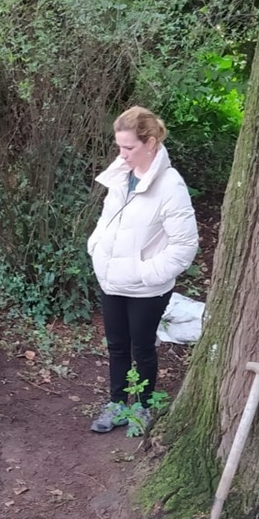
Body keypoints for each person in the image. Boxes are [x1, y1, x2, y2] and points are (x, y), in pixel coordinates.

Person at [87, 105, 199, 434]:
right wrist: (96, 247)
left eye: (129, 147)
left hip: (146, 288)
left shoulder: (171, 187)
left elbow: (185, 246)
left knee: (142, 347)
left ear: (150, 143)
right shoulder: (122, 173)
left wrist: (146, 273)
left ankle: (144, 406)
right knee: (117, 345)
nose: (122, 154)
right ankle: (117, 403)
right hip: (111, 280)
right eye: (119, 146)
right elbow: (107, 220)